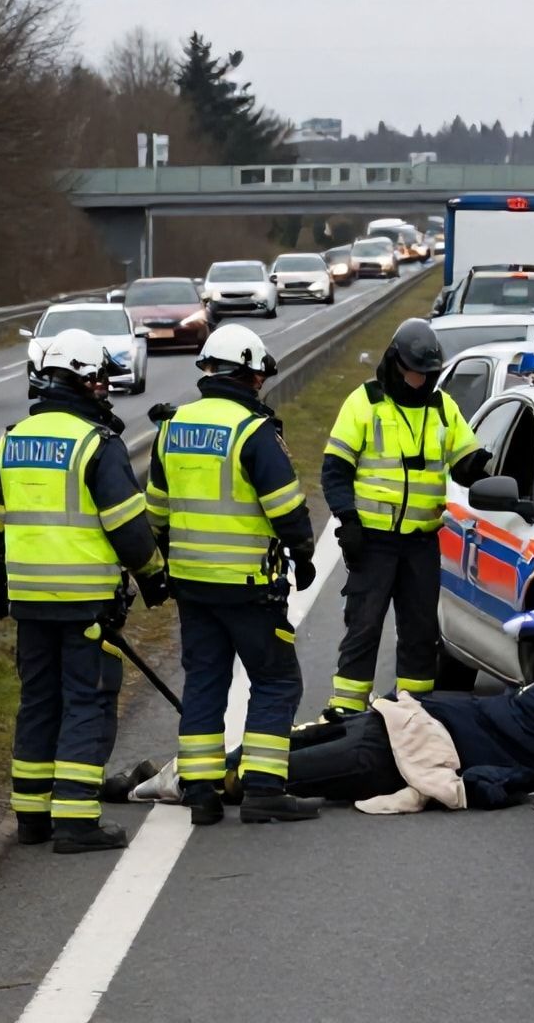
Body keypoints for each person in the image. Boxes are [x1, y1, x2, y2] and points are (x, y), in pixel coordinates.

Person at [104, 610, 534, 810]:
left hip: (400, 728)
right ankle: (165, 785)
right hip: (402, 749)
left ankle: (153, 780)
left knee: (277, 754)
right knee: (280, 771)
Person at [0, 328, 169, 854]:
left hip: (30, 604)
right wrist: (154, 576)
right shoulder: (96, 445)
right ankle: (78, 819)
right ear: (85, 381)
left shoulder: (13, 439)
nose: (105, 390)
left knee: (38, 702)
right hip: (86, 603)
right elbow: (128, 525)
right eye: (101, 380)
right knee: (87, 702)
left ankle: (32, 818)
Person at [145, 323, 323, 826]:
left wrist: (165, 561)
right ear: (250, 375)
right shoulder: (253, 430)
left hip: (192, 585)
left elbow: (156, 510)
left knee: (204, 680)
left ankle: (200, 792)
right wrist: (303, 554)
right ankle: (264, 788)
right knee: (275, 680)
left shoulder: (173, 427)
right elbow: (286, 505)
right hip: (249, 587)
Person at [321, 319, 491, 714]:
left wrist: (483, 464)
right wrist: (347, 521)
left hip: (420, 544)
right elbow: (335, 470)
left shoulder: (443, 407)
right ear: (396, 363)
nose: (422, 381)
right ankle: (347, 712)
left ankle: (414, 713)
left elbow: (464, 460)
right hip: (373, 542)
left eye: (429, 374)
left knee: (420, 634)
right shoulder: (363, 403)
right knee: (363, 628)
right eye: (417, 372)